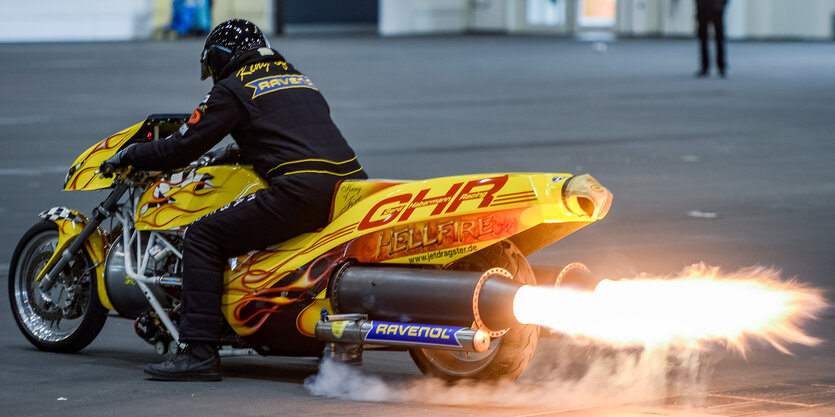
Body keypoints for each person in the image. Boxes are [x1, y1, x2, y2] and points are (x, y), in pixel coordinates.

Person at [102, 19, 367, 381]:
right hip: (351, 186)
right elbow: (288, 133)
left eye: (212, 68)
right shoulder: (297, 77)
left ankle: (198, 351)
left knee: (202, 236)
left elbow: (182, 146)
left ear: (220, 58)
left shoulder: (233, 87)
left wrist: (132, 155)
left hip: (300, 190)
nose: (213, 76)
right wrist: (236, 151)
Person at [695, 0, 728, 77]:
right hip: (703, 8)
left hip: (716, 8)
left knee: (719, 38)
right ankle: (705, 66)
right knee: (703, 38)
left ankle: (721, 66)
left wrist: (721, 5)